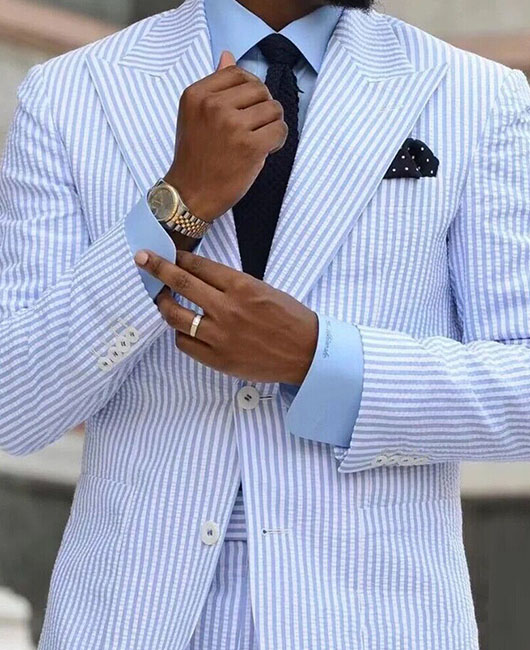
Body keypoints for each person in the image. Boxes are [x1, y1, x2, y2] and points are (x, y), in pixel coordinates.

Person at [0, 0, 529, 647]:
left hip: (371, 621)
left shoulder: (479, 96)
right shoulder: (70, 92)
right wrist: (179, 204)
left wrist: (317, 359)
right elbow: (15, 404)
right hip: (131, 619)